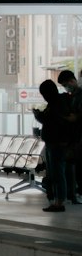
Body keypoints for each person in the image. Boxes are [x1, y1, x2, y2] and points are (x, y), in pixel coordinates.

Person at [34, 78, 75, 212]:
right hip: (56, 142)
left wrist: (39, 116)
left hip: (57, 143)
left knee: (58, 173)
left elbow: (52, 121)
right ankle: (57, 200)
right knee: (56, 173)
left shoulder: (57, 104)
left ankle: (59, 202)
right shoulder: (57, 102)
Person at [56, 70, 82, 203]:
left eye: (66, 84)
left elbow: (76, 117)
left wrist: (66, 117)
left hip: (78, 138)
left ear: (72, 81)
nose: (66, 87)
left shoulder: (79, 96)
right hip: (74, 138)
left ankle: (76, 194)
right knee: (74, 168)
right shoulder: (72, 96)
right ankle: (74, 194)